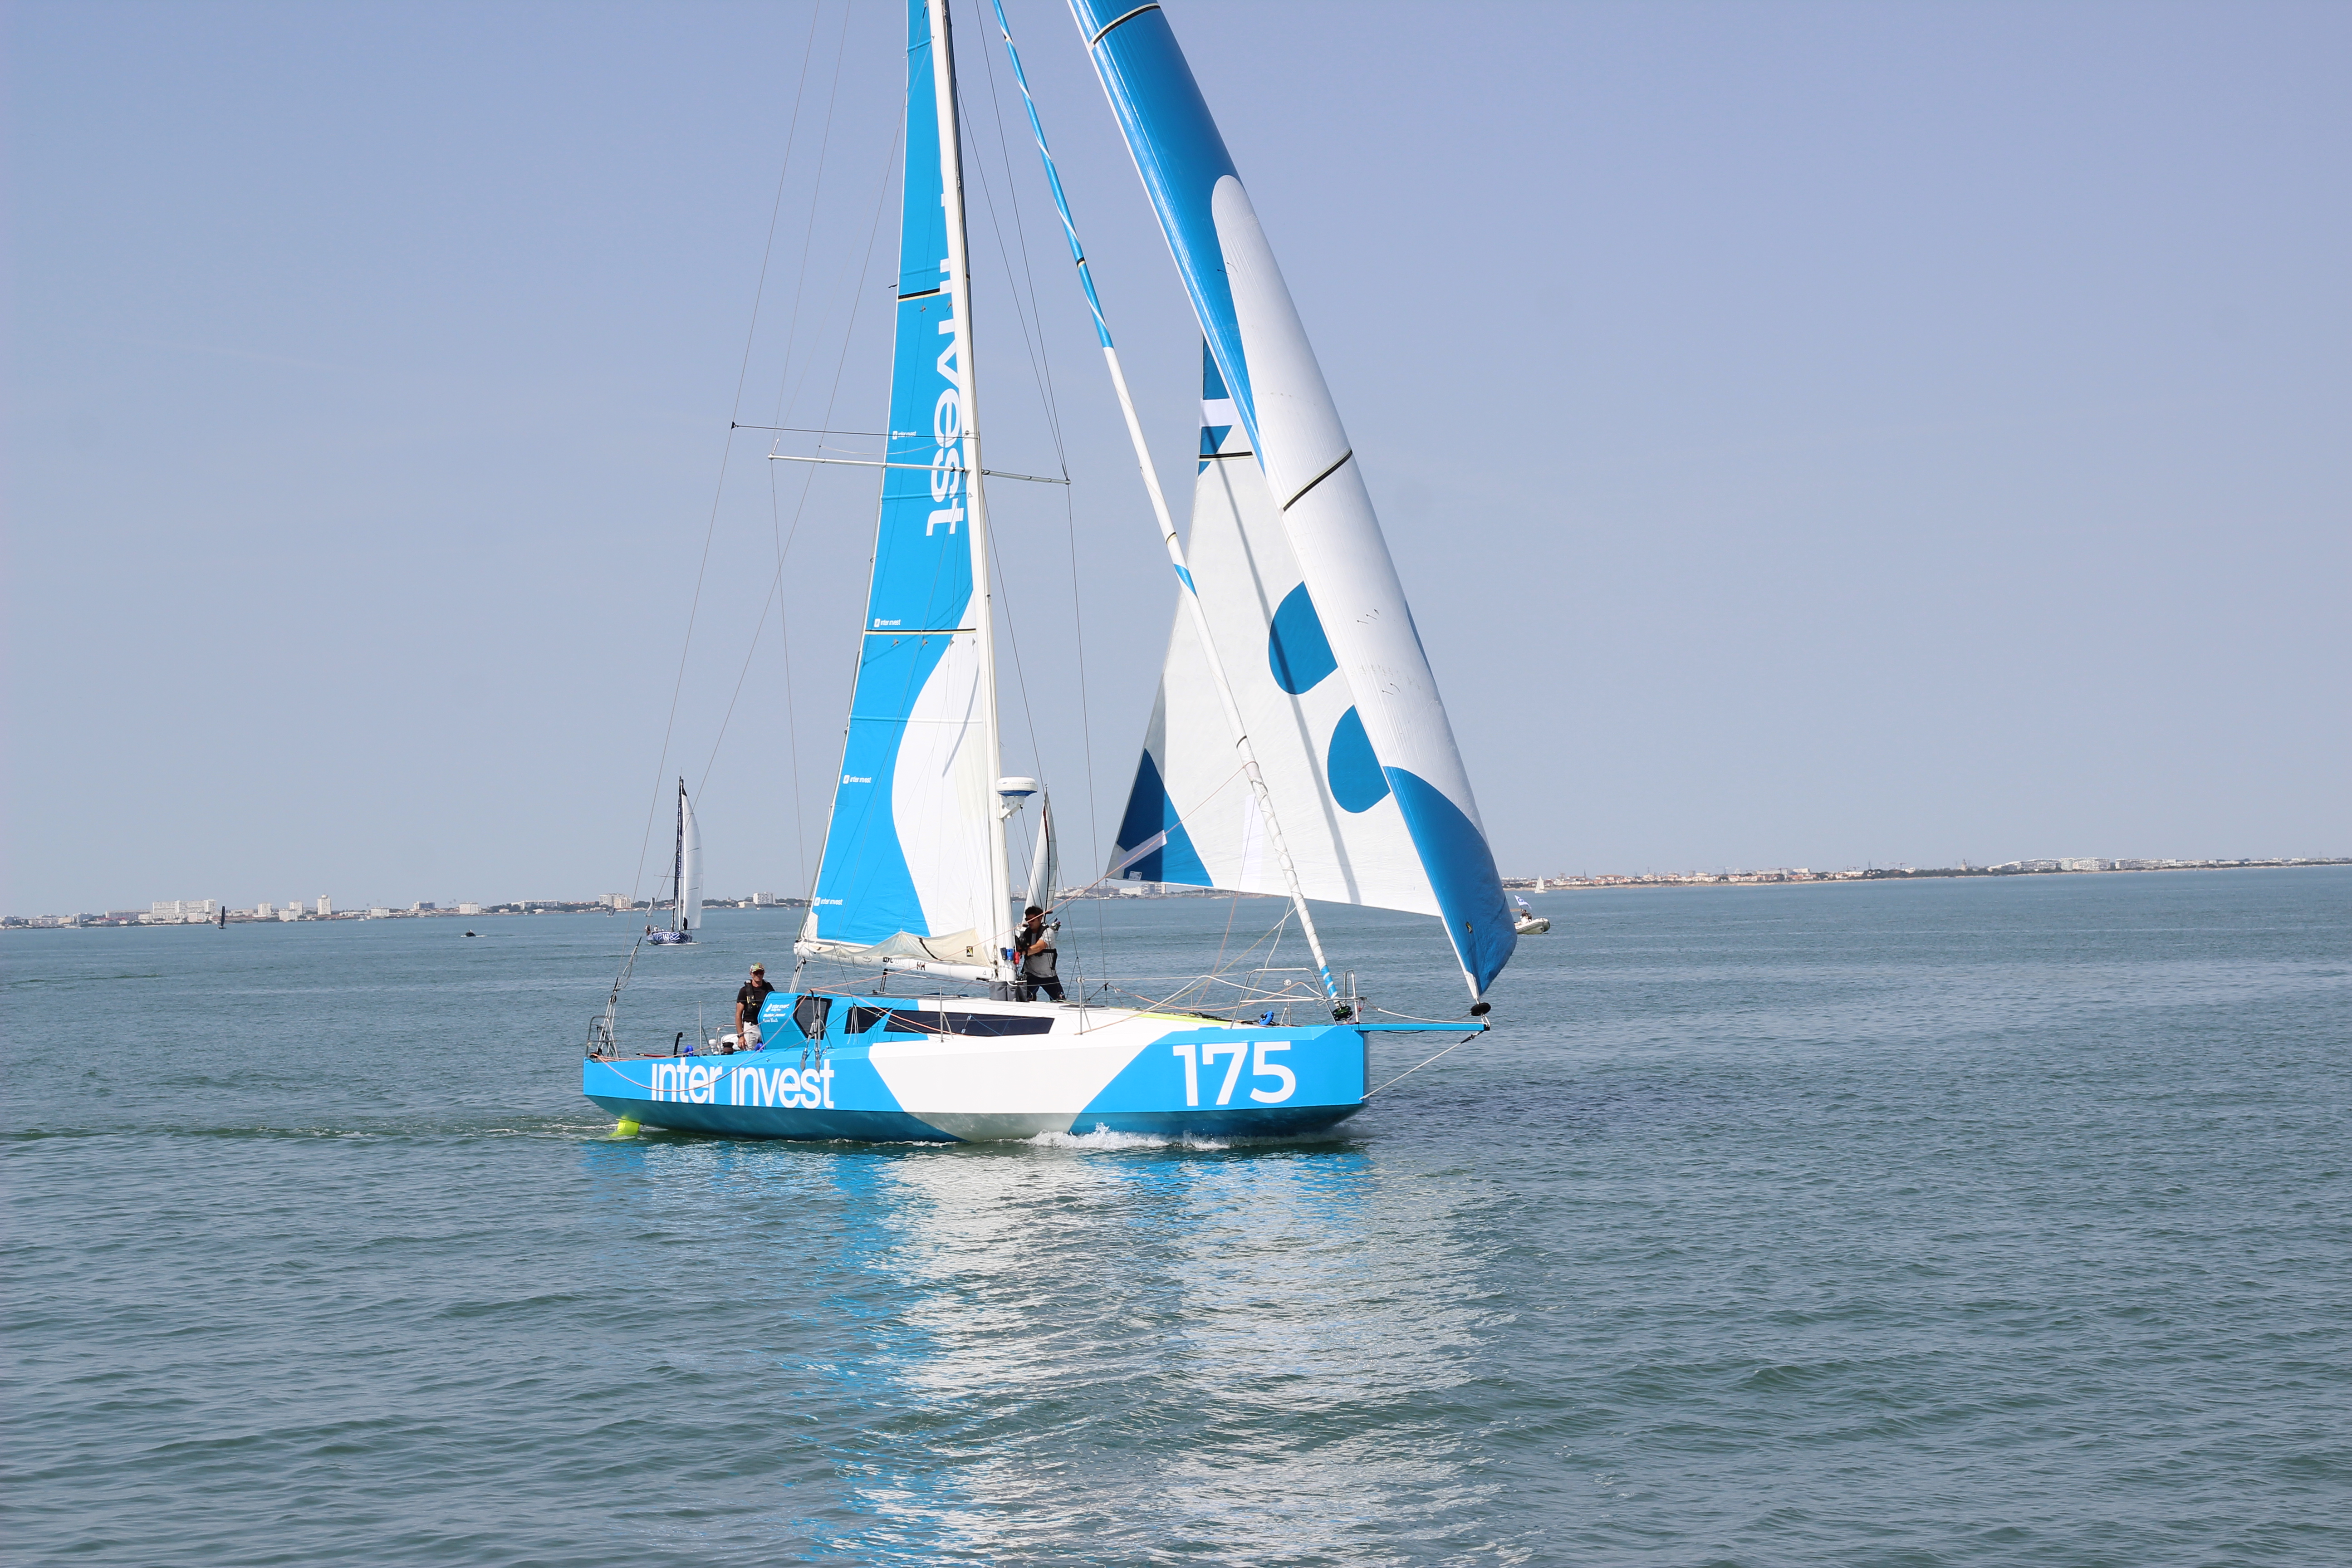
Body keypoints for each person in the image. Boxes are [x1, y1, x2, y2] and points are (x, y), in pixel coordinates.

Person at [1015, 906, 1063, 1003]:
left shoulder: (1048, 932)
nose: (1030, 922)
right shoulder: (1026, 933)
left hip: (1049, 976)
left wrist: (1023, 952)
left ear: (1040, 918)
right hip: (1031, 974)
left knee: (1060, 1002)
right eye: (1028, 920)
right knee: (1025, 1001)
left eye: (1032, 920)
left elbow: (1039, 947)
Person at [733, 963, 775, 1052]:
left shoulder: (769, 989)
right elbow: (738, 1015)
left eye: (761, 973)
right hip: (751, 1027)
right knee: (749, 1052)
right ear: (751, 974)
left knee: (770, 1050)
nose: (759, 975)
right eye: (756, 973)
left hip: (766, 1026)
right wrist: (741, 1036)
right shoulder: (744, 991)